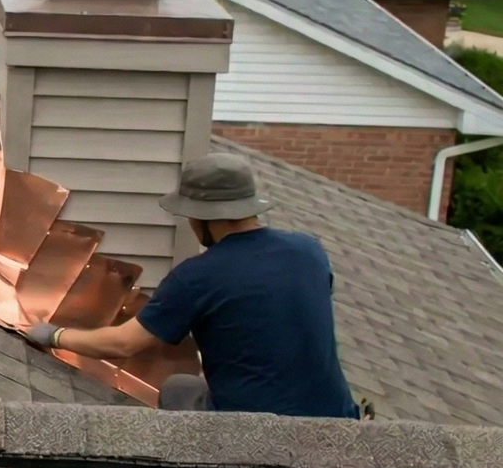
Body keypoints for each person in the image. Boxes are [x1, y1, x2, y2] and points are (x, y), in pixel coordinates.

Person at [23, 152, 358, 418]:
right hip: (335, 419)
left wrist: (54, 335)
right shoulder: (309, 250)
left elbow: (124, 344)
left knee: (178, 389)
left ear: (203, 218)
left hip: (256, 431)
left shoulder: (198, 276)